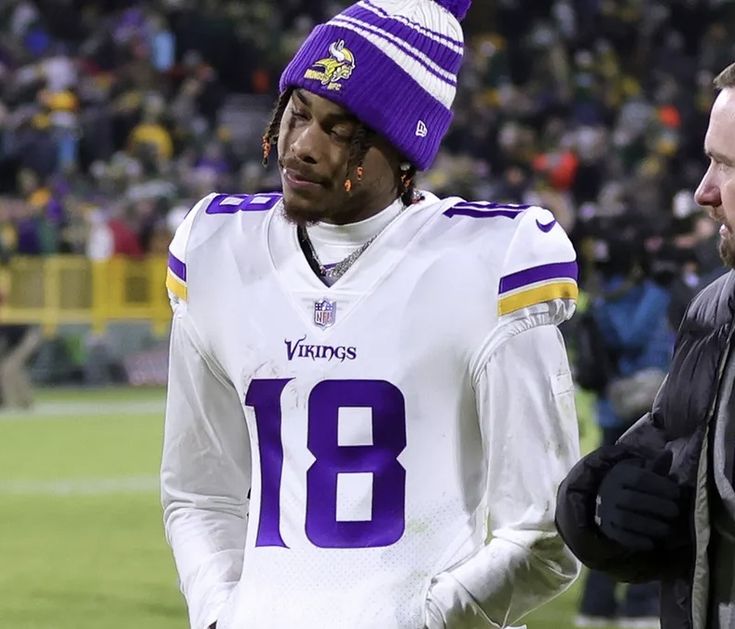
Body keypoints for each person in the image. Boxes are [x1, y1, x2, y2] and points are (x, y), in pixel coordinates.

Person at [161, 1, 581, 628]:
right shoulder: (217, 247)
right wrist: (222, 613)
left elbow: (546, 531)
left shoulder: (491, 260)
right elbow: (199, 491)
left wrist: (424, 620)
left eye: (339, 130)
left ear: (402, 149)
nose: (301, 147)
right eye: (298, 113)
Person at [555, 61, 735, 629]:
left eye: (728, 165)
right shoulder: (713, 309)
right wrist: (600, 502)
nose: (703, 191)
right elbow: (667, 467)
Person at [571, 236, 673, 628]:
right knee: (643, 506)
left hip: (614, 408)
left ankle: (597, 605)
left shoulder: (599, 297)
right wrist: (662, 293)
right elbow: (632, 335)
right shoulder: (641, 294)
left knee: (605, 506)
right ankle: (638, 603)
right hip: (640, 412)